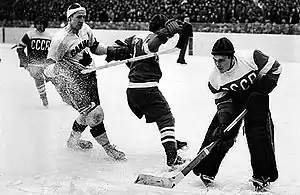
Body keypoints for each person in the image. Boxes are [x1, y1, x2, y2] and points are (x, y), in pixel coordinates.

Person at [192, 37, 281, 191]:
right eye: (215, 60)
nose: (217, 64)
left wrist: (262, 92)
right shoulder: (215, 78)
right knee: (221, 132)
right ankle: (206, 169)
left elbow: (276, 68)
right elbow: (223, 102)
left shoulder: (252, 58)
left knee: (259, 134)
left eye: (221, 60)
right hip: (234, 101)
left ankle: (263, 174)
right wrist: (224, 120)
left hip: (257, 97)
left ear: (231, 57)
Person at [43, 3, 129, 160]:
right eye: (78, 17)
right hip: (73, 84)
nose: (82, 20)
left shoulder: (85, 29)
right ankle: (108, 148)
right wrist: (62, 72)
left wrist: (111, 51)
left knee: (88, 113)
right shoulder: (60, 40)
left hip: (90, 77)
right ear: (70, 18)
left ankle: (72, 141)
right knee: (95, 113)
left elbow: (94, 46)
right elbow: (48, 67)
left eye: (83, 17)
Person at [114, 14, 188, 167]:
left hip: (133, 90)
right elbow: (150, 48)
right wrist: (164, 34)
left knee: (159, 115)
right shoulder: (151, 38)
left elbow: (129, 56)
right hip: (146, 88)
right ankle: (172, 156)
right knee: (166, 117)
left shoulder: (135, 38)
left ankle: (170, 141)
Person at [16, 16, 52, 107]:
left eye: (41, 24)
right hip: (32, 63)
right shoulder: (29, 34)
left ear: (45, 25)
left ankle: (66, 96)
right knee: (39, 78)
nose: (39, 26)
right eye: (38, 24)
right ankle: (44, 98)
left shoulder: (50, 36)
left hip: (45, 63)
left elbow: (53, 51)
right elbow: (20, 48)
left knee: (56, 78)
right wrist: (24, 62)